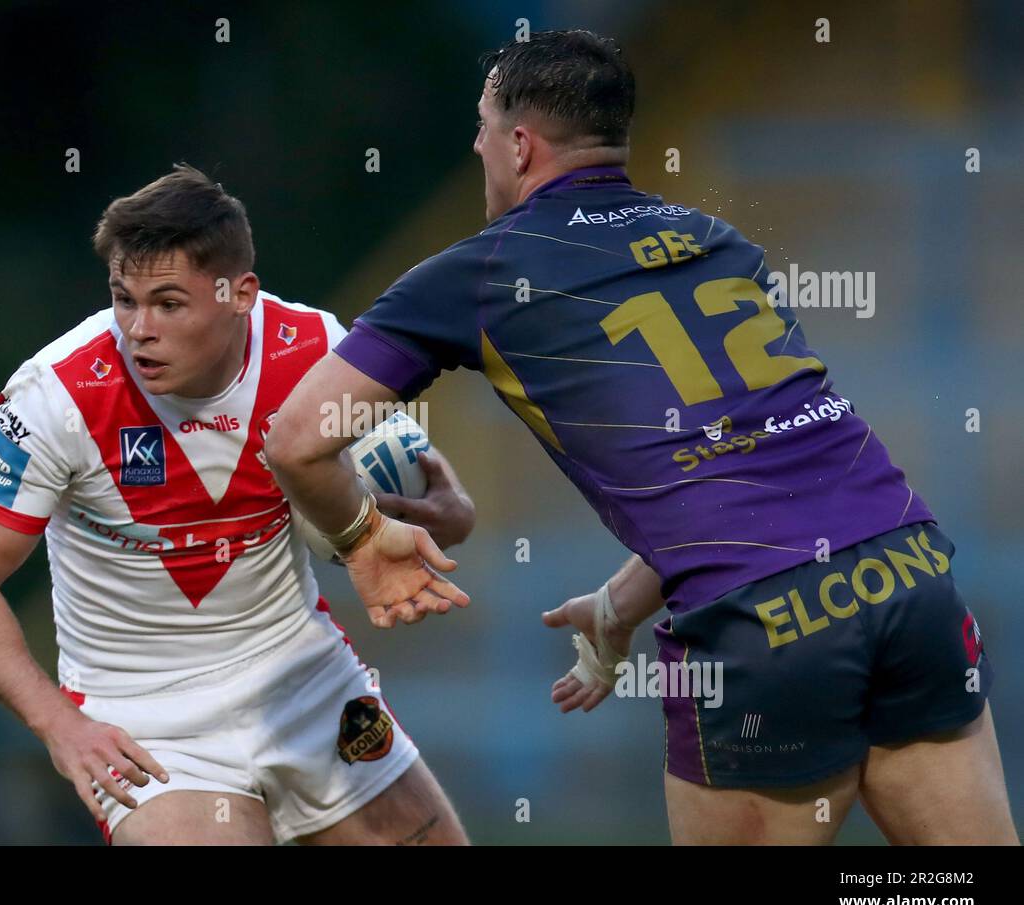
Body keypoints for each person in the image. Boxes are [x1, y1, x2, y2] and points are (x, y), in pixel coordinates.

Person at [264, 31, 1017, 845]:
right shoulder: (718, 243)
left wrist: (362, 538)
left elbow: (299, 438)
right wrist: (619, 608)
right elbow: (744, 464)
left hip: (763, 627)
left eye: (483, 124)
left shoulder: (477, 277)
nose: (477, 143)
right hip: (909, 574)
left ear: (520, 143)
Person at [0, 165, 474, 845]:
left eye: (168, 303)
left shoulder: (315, 350)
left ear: (240, 293)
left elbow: (438, 500)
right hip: (150, 725)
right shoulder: (56, 397)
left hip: (307, 684)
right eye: (124, 299)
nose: (137, 329)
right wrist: (59, 725)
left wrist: (417, 518)